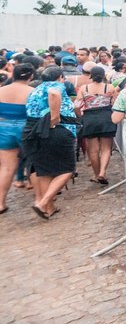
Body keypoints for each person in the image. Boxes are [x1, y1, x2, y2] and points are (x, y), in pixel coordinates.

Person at [22, 66, 78, 220]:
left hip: (35, 130)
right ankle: (43, 202)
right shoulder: (55, 86)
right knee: (67, 169)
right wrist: (55, 118)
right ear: (60, 77)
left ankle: (49, 208)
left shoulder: (35, 89)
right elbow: (54, 93)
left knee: (45, 170)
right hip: (56, 130)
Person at [0, 64, 35, 213]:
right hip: (26, 127)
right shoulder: (33, 92)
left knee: (7, 167)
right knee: (33, 163)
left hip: (4, 126)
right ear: (31, 76)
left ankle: (0, 203)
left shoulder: (1, 90)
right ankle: (40, 198)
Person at [75, 66, 118, 184]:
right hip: (106, 117)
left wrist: (81, 116)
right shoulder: (109, 87)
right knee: (106, 148)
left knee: (93, 150)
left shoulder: (84, 88)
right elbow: (114, 102)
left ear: (91, 75)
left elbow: (77, 105)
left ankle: (96, 173)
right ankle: (103, 172)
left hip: (89, 118)